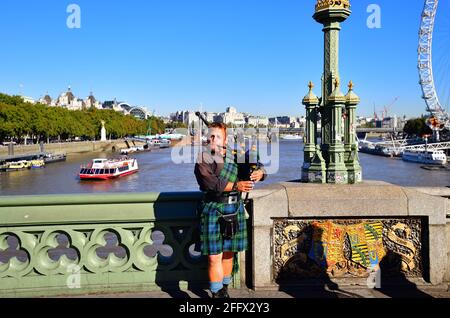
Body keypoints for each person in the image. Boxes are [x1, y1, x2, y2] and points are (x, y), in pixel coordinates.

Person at [194, 122, 266, 298]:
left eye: (217, 136)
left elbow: (257, 166)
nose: (213, 139)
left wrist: (260, 173)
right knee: (214, 256)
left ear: (225, 139)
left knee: (228, 254)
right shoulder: (204, 157)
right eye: (211, 136)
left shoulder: (236, 155)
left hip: (234, 208)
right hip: (212, 209)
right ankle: (217, 293)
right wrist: (236, 185)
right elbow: (209, 182)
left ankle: (224, 289)